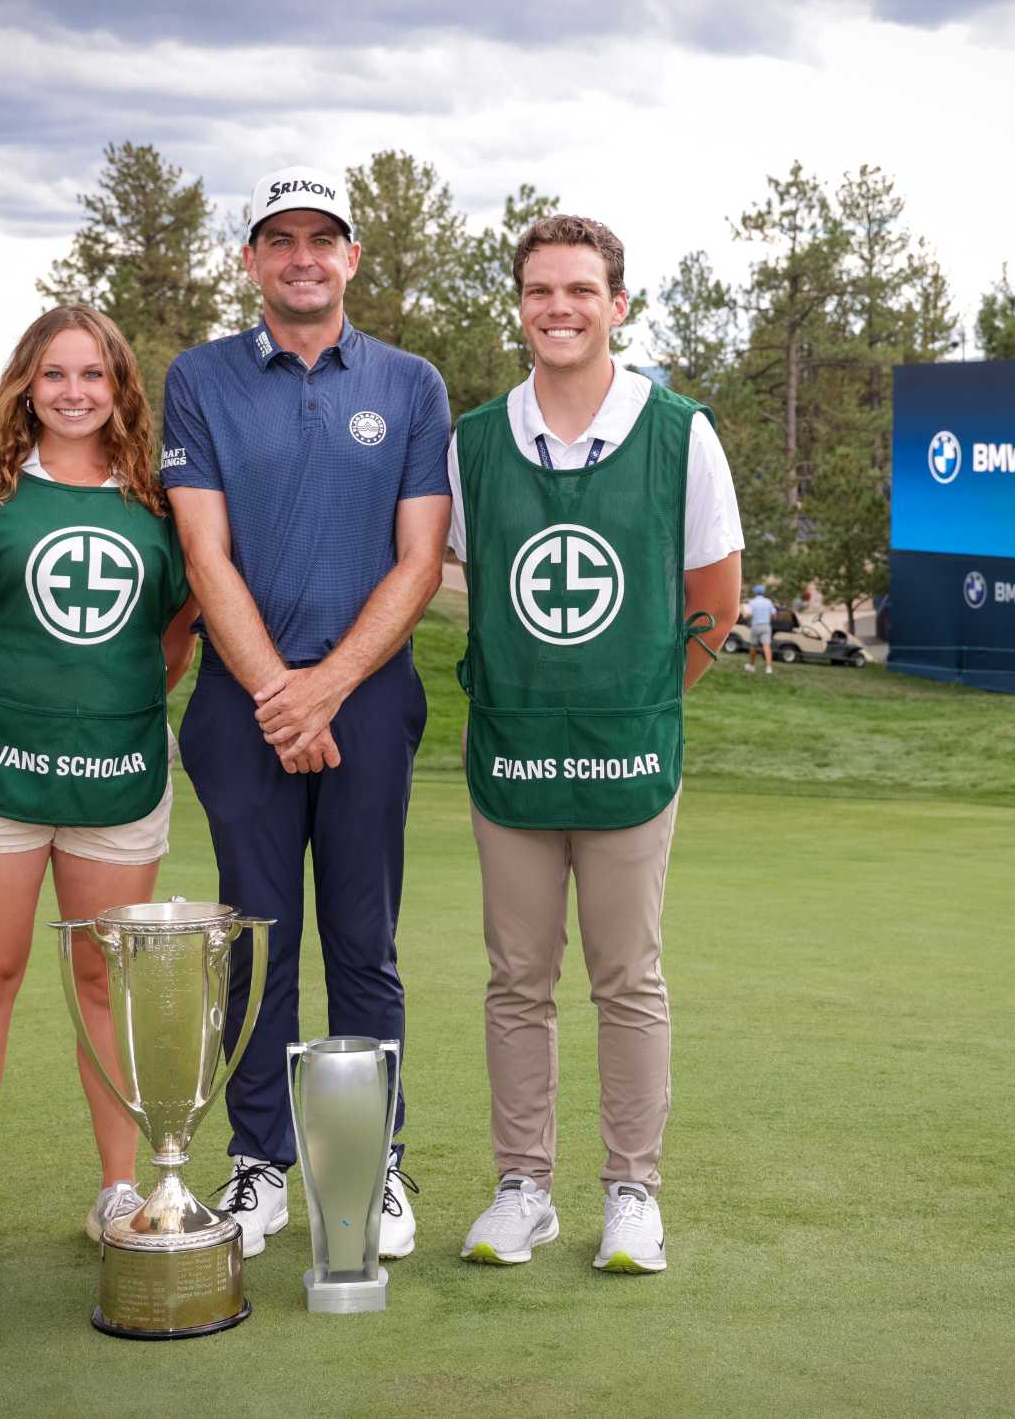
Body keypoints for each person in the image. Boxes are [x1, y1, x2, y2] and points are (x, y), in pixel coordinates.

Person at [163, 165, 450, 1261]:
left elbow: (420, 561)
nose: (301, 256)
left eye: (321, 238)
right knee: (255, 942)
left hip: (368, 705)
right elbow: (205, 551)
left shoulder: (411, 383)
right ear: (251, 260)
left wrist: (322, 691)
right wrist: (281, 698)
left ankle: (371, 1162)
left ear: (352, 258)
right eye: (278, 239)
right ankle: (257, 1167)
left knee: (364, 941)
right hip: (241, 710)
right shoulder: (201, 378)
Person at [448, 214, 743, 1274]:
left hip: (630, 758)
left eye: (581, 290)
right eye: (540, 291)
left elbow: (715, 599)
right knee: (516, 979)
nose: (559, 308)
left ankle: (632, 1192)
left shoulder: (679, 433)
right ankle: (523, 1188)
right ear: (519, 307)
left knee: (630, 980)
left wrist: (641, 700)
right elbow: (464, 579)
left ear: (619, 304)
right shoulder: (476, 440)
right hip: (513, 755)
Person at [0, 305, 198, 1280]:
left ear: (122, 387)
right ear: (24, 386)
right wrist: (16, 717)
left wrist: (103, 713)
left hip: (119, 775)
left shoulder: (162, 503)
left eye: (94, 374)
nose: (74, 392)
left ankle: (120, 1190)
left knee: (104, 985)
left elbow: (174, 636)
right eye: (54, 375)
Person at [745, 584, 776, 674]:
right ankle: (769, 667)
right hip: (766, 626)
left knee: (753, 646)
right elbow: (774, 614)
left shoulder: (752, 602)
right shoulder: (768, 601)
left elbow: (748, 614)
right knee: (766, 646)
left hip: (755, 625)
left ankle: (751, 665)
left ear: (755, 592)